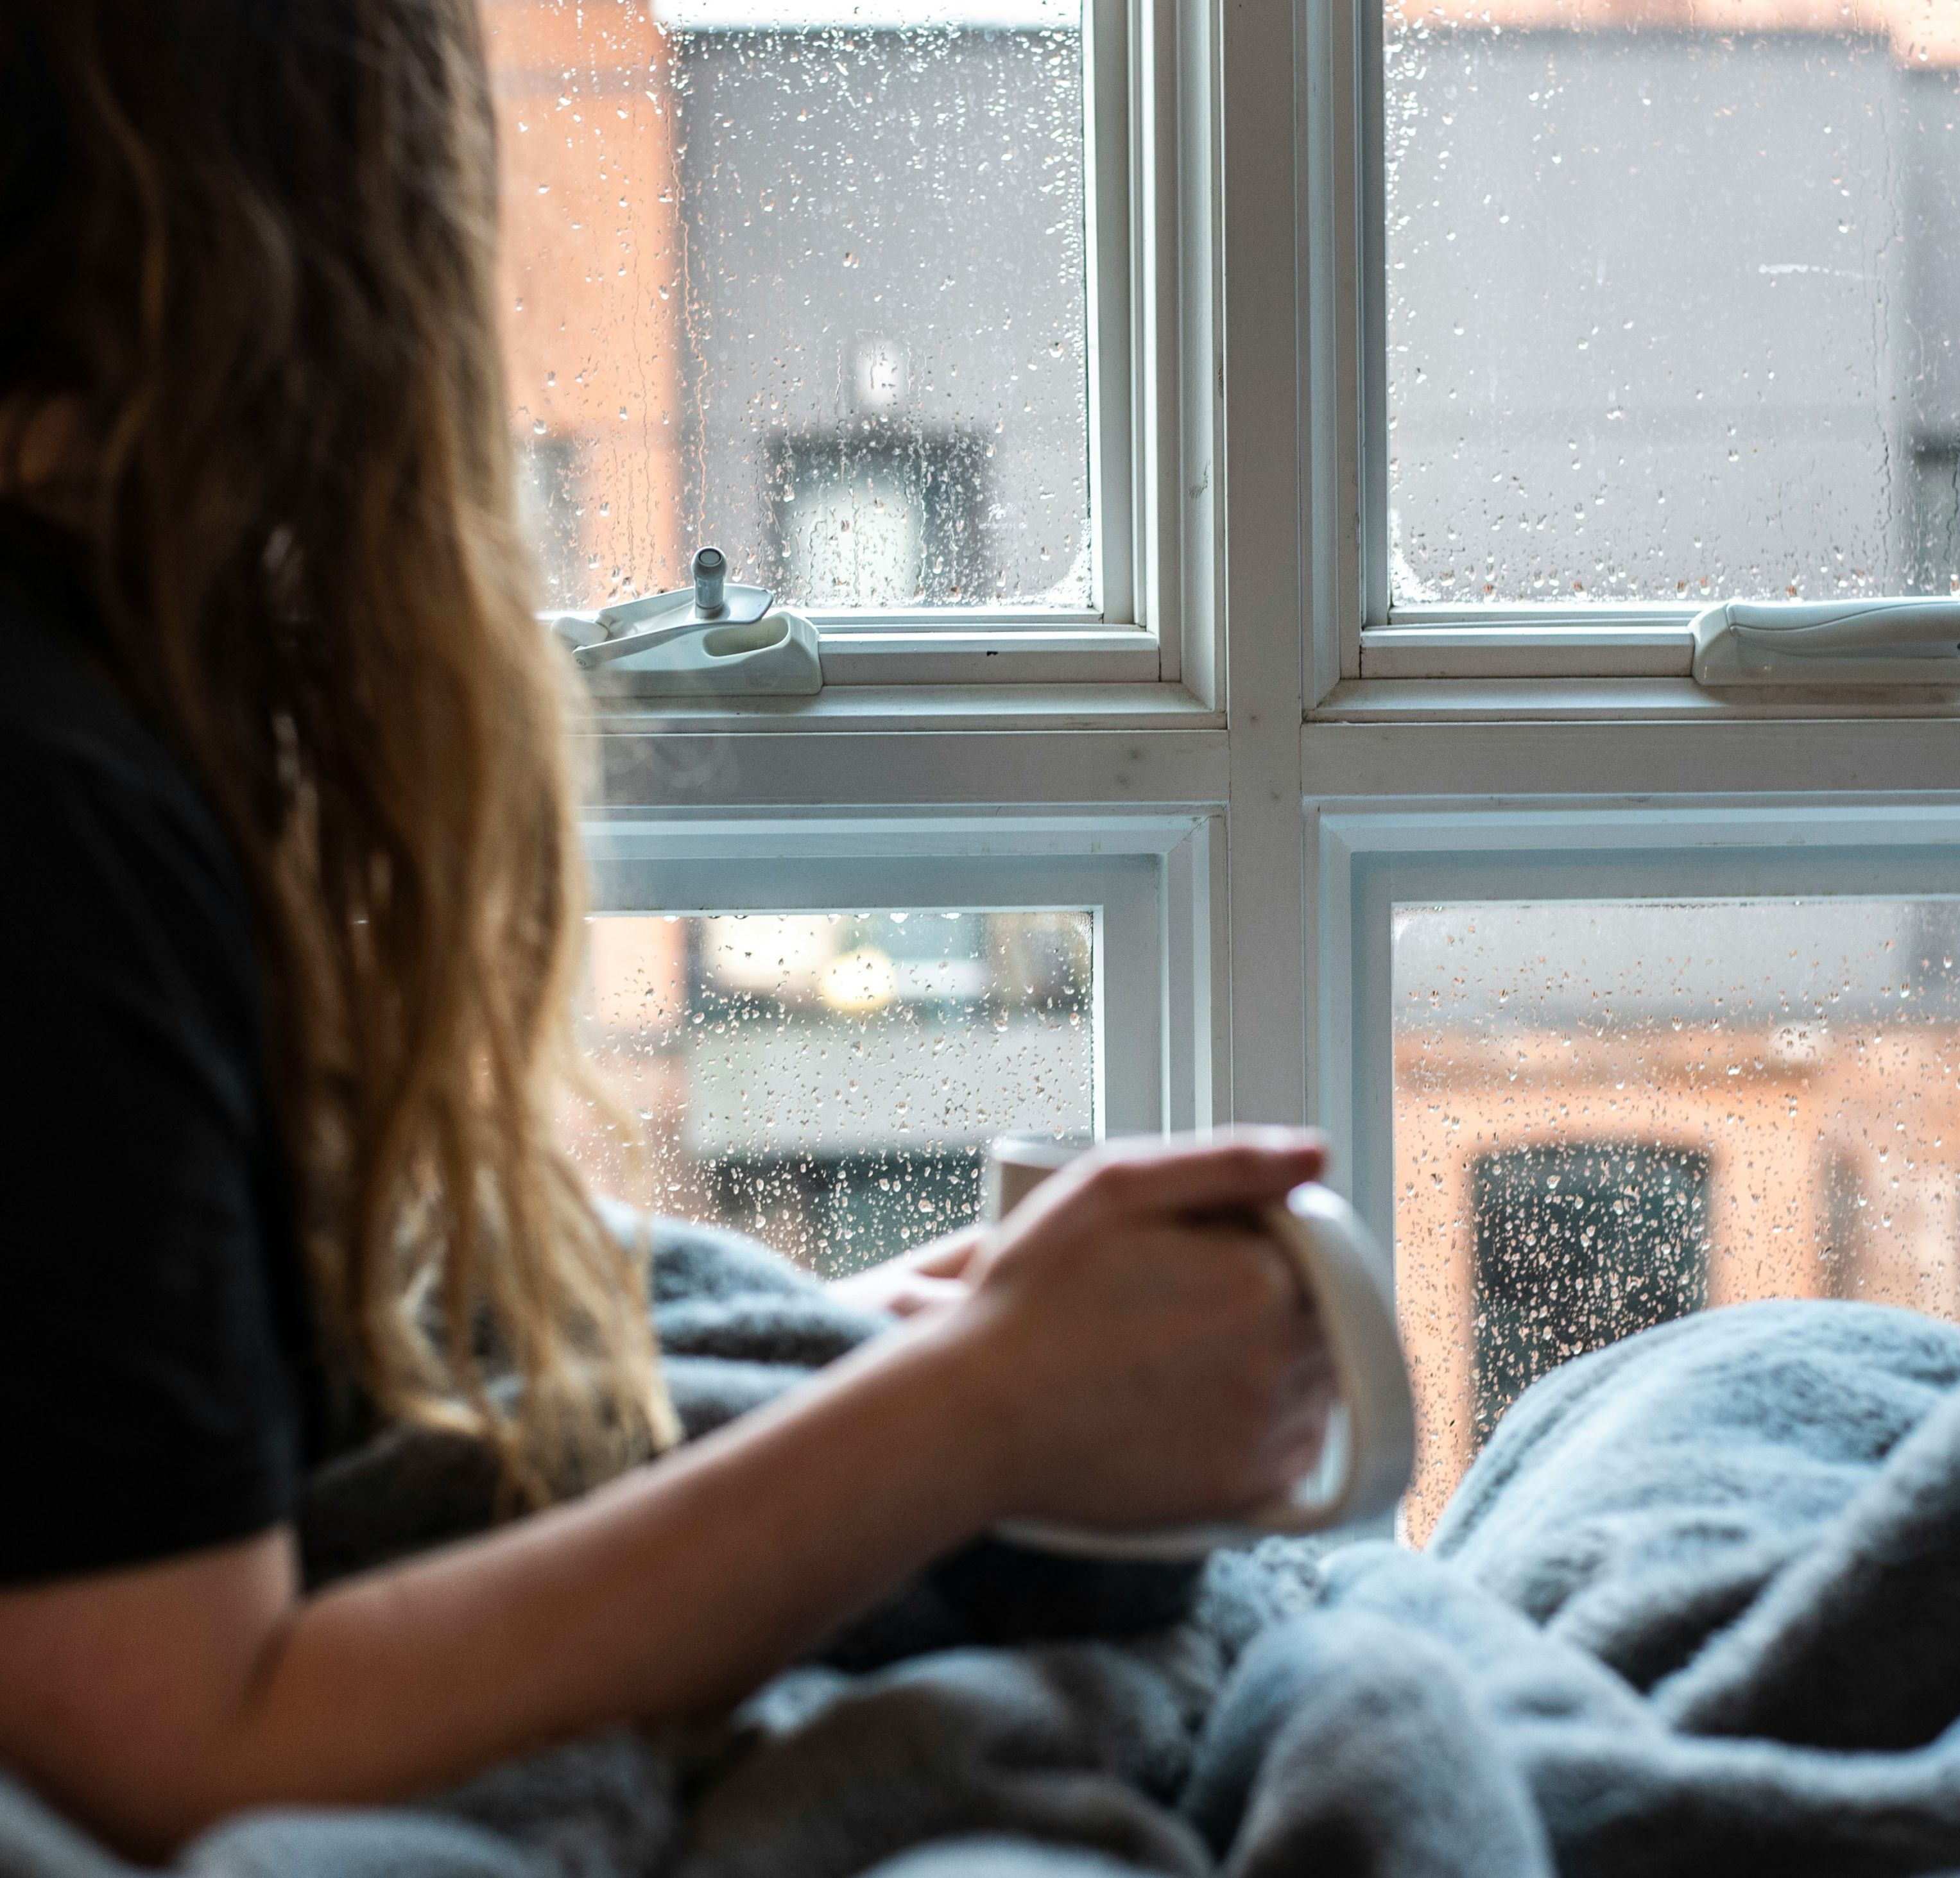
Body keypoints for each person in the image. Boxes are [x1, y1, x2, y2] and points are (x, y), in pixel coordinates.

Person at [0, 3, 1334, 1858]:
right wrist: (975, 1412)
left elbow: (145, 1460)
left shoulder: (94, 729)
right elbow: (179, 1740)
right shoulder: (53, 810)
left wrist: (860, 1357)